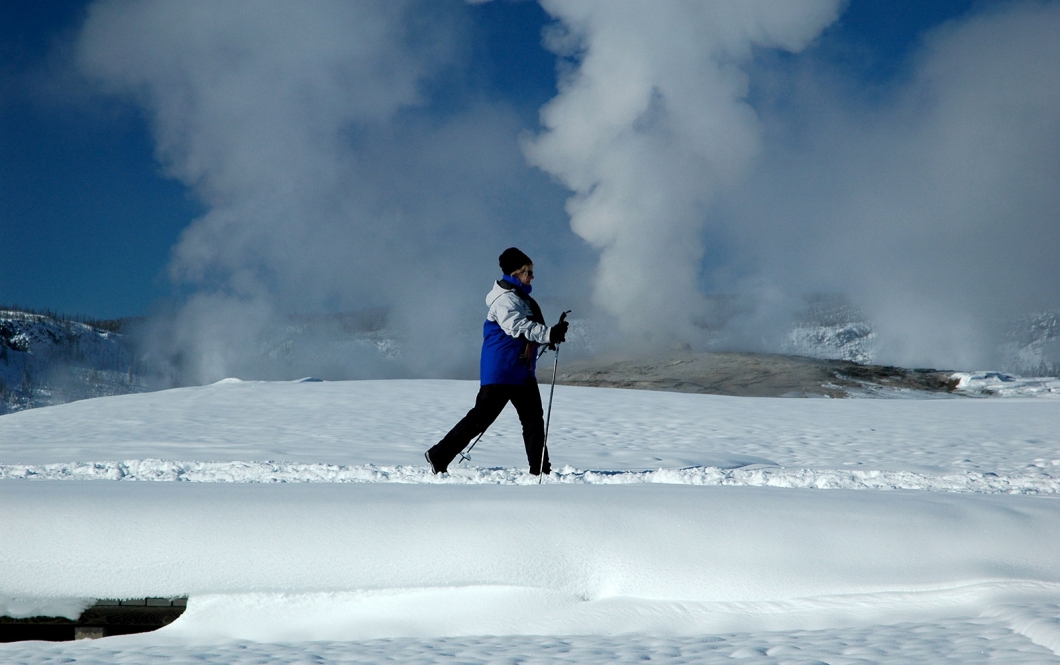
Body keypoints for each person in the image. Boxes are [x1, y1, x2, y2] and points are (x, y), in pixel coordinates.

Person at [425, 247, 568, 475]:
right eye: (528, 272)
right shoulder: (505, 299)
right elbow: (517, 328)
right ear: (515, 273)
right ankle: (438, 455)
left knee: (533, 421)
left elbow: (529, 331)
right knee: (480, 420)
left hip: (520, 371)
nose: (532, 276)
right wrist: (549, 334)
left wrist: (550, 337)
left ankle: (540, 469)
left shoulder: (520, 298)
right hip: (501, 372)